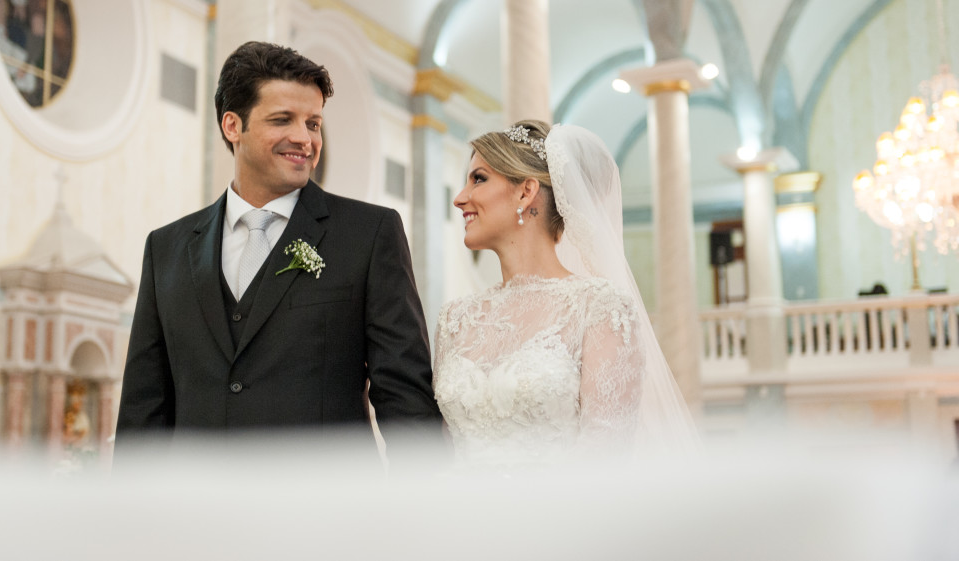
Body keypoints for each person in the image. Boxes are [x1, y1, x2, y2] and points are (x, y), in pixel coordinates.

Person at [115, 41, 441, 459]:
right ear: (233, 126)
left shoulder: (370, 234)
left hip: (322, 513)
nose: (304, 139)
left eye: (314, 123)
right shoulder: (167, 249)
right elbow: (143, 410)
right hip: (195, 512)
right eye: (283, 120)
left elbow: (404, 398)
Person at [434, 120, 698, 467]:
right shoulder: (455, 320)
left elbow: (605, 457)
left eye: (478, 178)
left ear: (525, 191)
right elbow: (439, 452)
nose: (460, 198)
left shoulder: (600, 309)